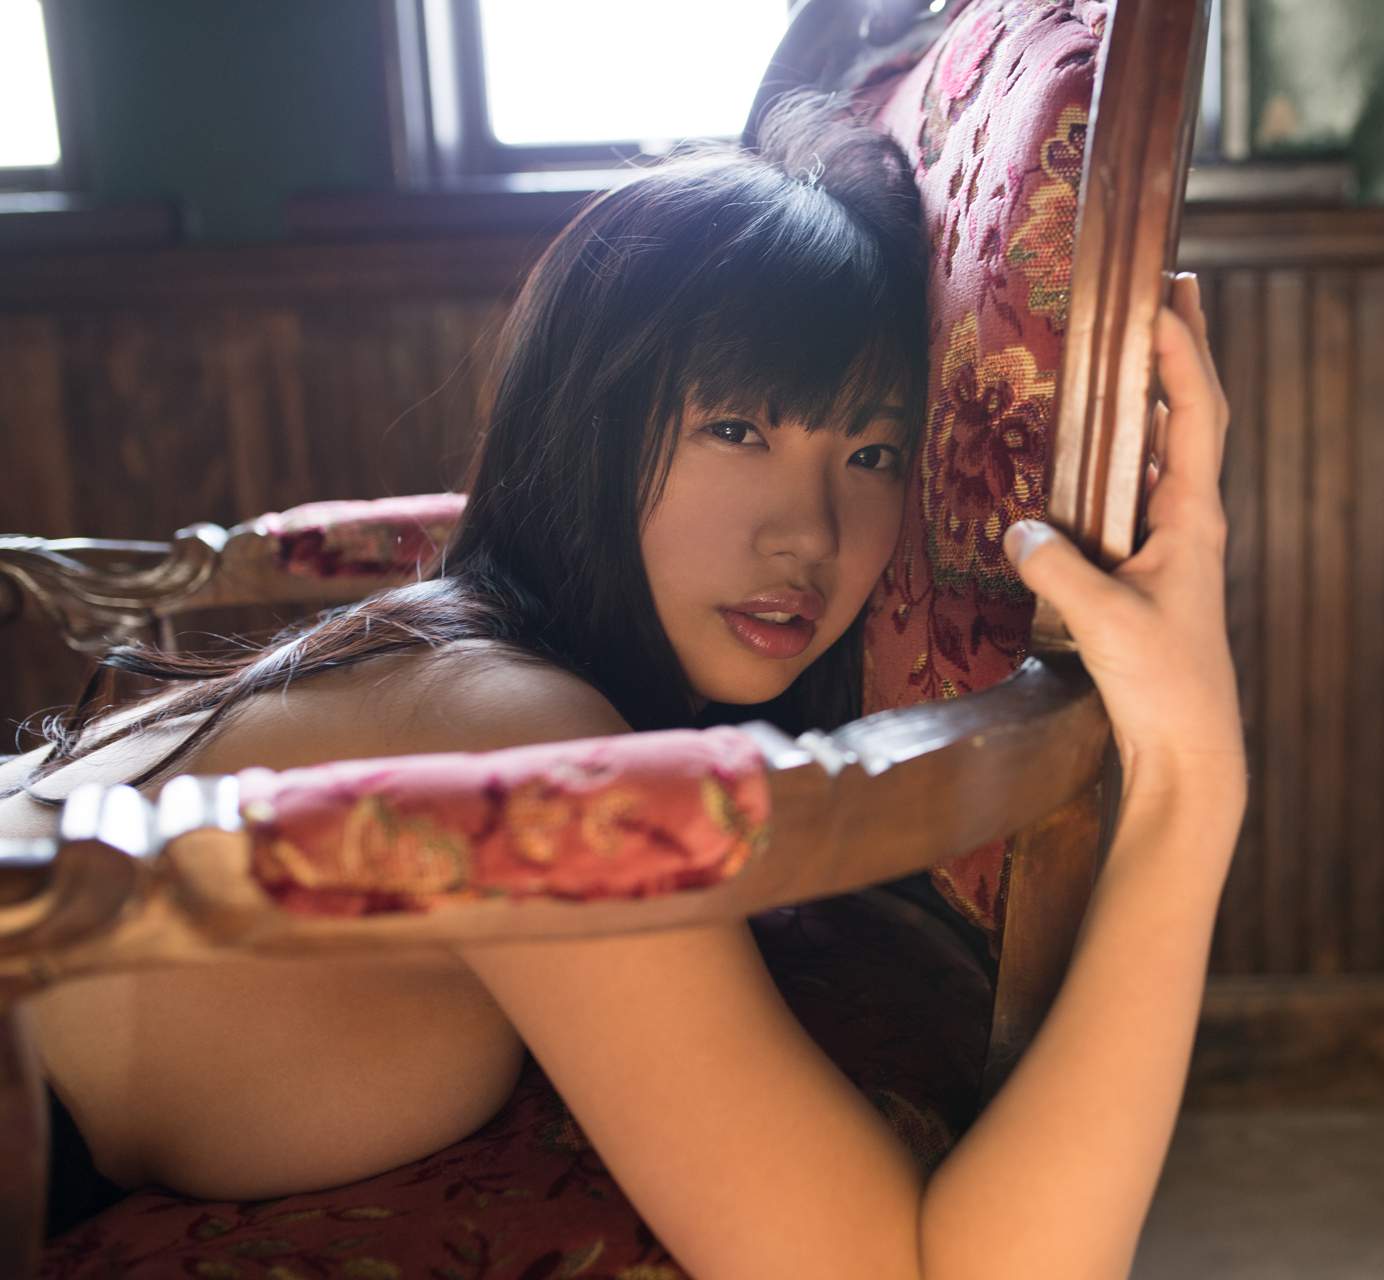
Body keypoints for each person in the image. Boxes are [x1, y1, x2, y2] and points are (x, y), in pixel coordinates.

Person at [0, 93, 1245, 1277]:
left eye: (872, 451)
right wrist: (1195, 775)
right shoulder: (511, 727)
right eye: (738, 429)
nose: (809, 532)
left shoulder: (486, 673)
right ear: (583, 428)